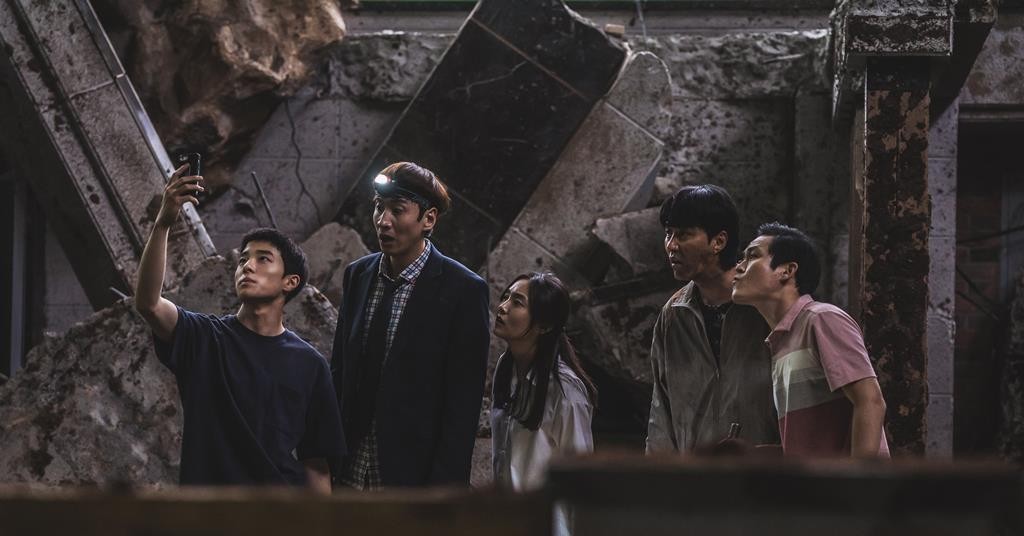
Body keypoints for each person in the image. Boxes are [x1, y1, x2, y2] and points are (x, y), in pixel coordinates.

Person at [135, 165, 345, 491]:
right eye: (244, 259)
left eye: (263, 259)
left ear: (290, 282)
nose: (247, 266)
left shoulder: (310, 364)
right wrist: (163, 222)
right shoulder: (205, 337)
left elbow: (316, 466)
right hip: (207, 511)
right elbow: (149, 304)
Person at [331, 162, 490, 489]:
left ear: (428, 219)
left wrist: (442, 491)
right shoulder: (358, 276)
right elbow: (340, 371)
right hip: (348, 466)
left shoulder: (462, 290)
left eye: (397, 210)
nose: (383, 221)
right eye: (379, 207)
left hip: (410, 475)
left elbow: (462, 403)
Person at [732, 222, 889, 458]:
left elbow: (871, 401)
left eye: (752, 256)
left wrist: (859, 478)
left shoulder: (821, 319)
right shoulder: (781, 342)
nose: (739, 266)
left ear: (787, 270)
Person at [646, 185, 779, 454]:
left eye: (683, 235)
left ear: (718, 241)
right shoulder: (673, 314)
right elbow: (661, 412)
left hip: (763, 473)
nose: (671, 246)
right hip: (695, 475)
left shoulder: (765, 307)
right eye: (668, 234)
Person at [491, 272, 596, 536]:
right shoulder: (506, 369)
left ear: (545, 325)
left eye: (517, 302)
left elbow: (581, 479)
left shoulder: (565, 390)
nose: (502, 307)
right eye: (506, 297)